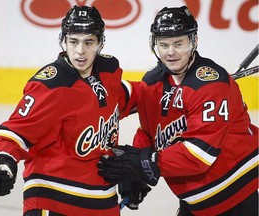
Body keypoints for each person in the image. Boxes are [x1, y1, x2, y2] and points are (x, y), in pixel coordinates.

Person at [97, 6, 258, 216]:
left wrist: (146, 162)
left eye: (178, 44)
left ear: (194, 41)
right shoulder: (154, 82)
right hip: (194, 204)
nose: (170, 52)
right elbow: (148, 132)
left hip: (235, 198)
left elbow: (200, 154)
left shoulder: (210, 85)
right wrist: (139, 171)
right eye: (164, 45)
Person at [0, 5, 138, 216]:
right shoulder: (51, 85)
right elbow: (16, 130)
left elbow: (129, 96)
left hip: (102, 203)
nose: (80, 51)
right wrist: (3, 160)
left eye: (89, 42)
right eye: (73, 41)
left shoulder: (108, 72)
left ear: (100, 43)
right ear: (63, 41)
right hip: (53, 199)